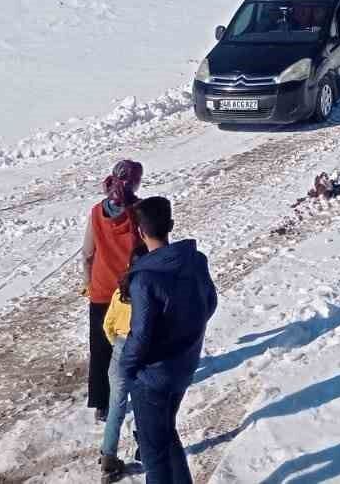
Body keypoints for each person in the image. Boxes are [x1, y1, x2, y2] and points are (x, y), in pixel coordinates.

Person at [122, 196, 218, 484]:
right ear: (171, 225)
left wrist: (126, 369)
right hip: (184, 365)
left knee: (155, 457)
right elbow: (209, 303)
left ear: (140, 232)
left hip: (153, 377)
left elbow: (140, 336)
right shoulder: (196, 260)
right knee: (166, 432)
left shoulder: (144, 279)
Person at [81, 159, 143, 420]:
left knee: (100, 349)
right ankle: (135, 389)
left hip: (101, 292)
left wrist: (88, 283)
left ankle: (101, 405)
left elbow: (87, 254)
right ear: (136, 182)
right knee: (135, 343)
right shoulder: (140, 211)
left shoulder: (96, 211)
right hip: (131, 293)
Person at [97, 239, 147, 482]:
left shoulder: (120, 292)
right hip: (141, 350)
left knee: (116, 405)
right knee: (142, 403)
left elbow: (107, 324)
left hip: (119, 347)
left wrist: (116, 343)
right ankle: (145, 448)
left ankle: (108, 455)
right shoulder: (147, 293)